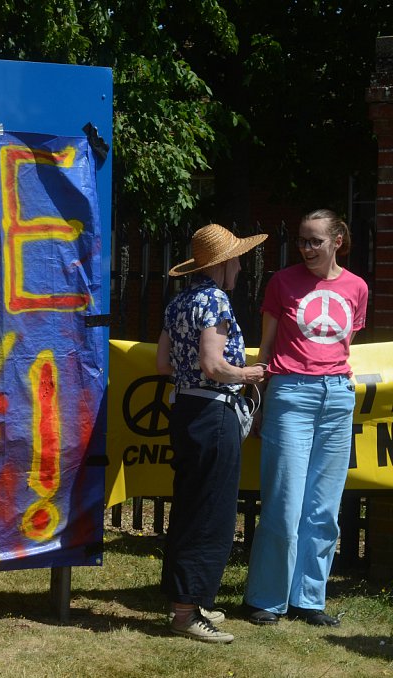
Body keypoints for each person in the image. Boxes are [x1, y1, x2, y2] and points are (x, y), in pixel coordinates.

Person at [243, 209, 368, 627]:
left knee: (324, 508)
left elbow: (344, 344)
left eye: (315, 240)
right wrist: (259, 401)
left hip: (337, 396)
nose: (307, 248)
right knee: (283, 501)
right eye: (302, 240)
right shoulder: (282, 282)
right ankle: (267, 598)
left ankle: (309, 599)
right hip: (290, 393)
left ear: (338, 241)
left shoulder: (357, 287)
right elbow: (266, 344)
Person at [156, 223, 268, 644]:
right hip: (213, 412)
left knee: (190, 505)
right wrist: (249, 373)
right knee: (211, 513)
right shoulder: (215, 299)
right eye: (237, 259)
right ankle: (186, 614)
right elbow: (213, 364)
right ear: (222, 265)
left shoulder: (179, 300)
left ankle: (190, 601)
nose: (241, 267)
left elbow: (163, 364)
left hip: (184, 410)